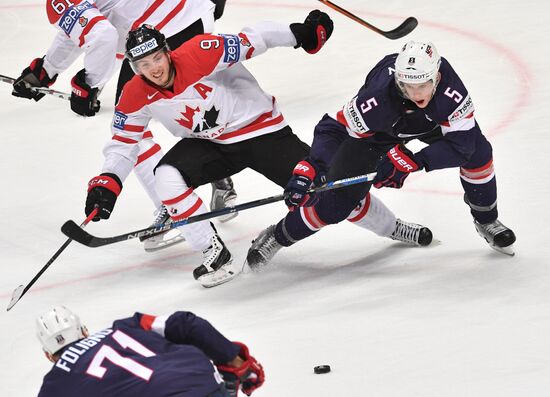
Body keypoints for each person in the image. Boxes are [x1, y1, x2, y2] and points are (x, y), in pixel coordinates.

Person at [83, 14, 433, 288]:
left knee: (330, 192)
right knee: (166, 177)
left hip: (263, 133)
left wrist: (301, 34)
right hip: (211, 145)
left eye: (157, 58)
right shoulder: (133, 93)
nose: (154, 69)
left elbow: (256, 38)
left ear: (166, 51)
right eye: (144, 65)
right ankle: (212, 251)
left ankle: (392, 227)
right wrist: (108, 182)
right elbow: (123, 144)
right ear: (133, 67)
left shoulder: (201, 52)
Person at [245, 40, 517, 271]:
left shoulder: (451, 92)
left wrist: (413, 160)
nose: (415, 93)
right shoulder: (376, 99)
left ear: (436, 77)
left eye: (423, 84)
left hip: (432, 125)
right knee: (335, 204)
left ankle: (487, 221)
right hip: (378, 133)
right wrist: (311, 166)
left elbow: (463, 146)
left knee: (479, 154)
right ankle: (278, 236)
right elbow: (333, 129)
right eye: (407, 85)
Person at [10, 0, 237, 251]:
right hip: (191, 15)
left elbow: (102, 35)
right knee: (187, 108)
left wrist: (89, 84)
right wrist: (45, 70)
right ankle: (220, 180)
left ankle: (173, 207)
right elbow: (78, 29)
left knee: (130, 128)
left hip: (165, 31)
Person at [36, 305, 264, 397]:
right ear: (84, 331)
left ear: (48, 355)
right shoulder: (126, 325)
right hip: (201, 380)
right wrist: (232, 358)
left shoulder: (54, 384)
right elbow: (188, 324)